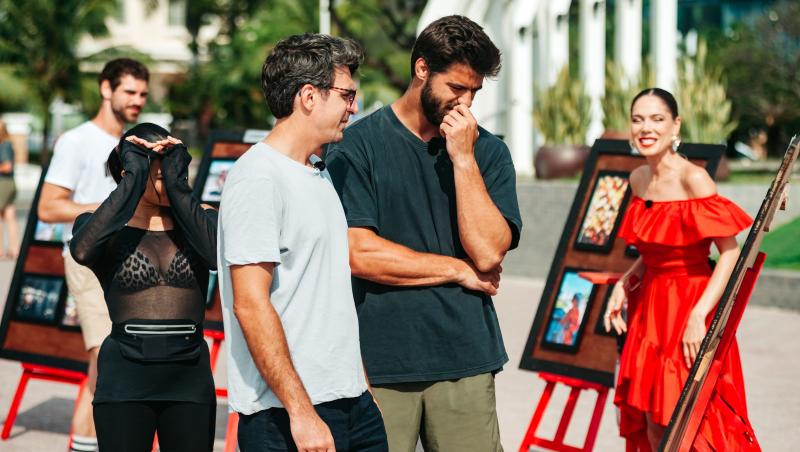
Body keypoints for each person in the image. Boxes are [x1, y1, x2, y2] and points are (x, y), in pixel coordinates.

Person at [325, 15, 522, 452]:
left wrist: (463, 159)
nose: (465, 103)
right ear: (421, 69)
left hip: (466, 360)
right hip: (379, 364)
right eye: (457, 88)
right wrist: (457, 270)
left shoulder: (488, 152)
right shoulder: (355, 147)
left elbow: (488, 254)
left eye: (474, 92)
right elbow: (359, 254)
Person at [218, 33, 387, 452]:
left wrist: (362, 387)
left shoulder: (317, 171)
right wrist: (301, 412)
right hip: (287, 416)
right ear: (309, 96)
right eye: (347, 95)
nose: (354, 107)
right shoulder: (258, 179)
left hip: (351, 402)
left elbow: (327, 295)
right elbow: (250, 304)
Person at [604, 88, 759, 451]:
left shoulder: (694, 179)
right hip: (649, 312)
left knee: (690, 423)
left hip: (690, 304)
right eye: (638, 119)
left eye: (657, 119)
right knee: (653, 422)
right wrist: (624, 282)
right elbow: (657, 247)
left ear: (675, 126)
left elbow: (730, 253)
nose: (646, 128)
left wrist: (699, 315)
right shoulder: (638, 179)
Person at [69, 123, 218, 451]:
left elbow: (215, 256)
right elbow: (82, 251)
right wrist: (134, 176)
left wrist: (178, 187)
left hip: (189, 376)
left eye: (171, 167)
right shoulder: (100, 227)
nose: (165, 175)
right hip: (124, 376)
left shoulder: (202, 219)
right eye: (157, 171)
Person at [37, 58, 149, 452]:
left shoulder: (137, 143)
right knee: (106, 357)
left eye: (142, 94)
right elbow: (48, 207)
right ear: (106, 89)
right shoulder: (77, 141)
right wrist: (108, 209)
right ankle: (83, 444)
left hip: (131, 259)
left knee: (132, 359)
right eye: (129, 91)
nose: (137, 100)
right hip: (87, 258)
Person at [0, 120, 18, 259]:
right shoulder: (9, 144)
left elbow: (7, 166)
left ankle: (0, 250)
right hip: (10, 183)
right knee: (10, 217)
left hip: (3, 183)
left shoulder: (3, 145)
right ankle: (15, 248)